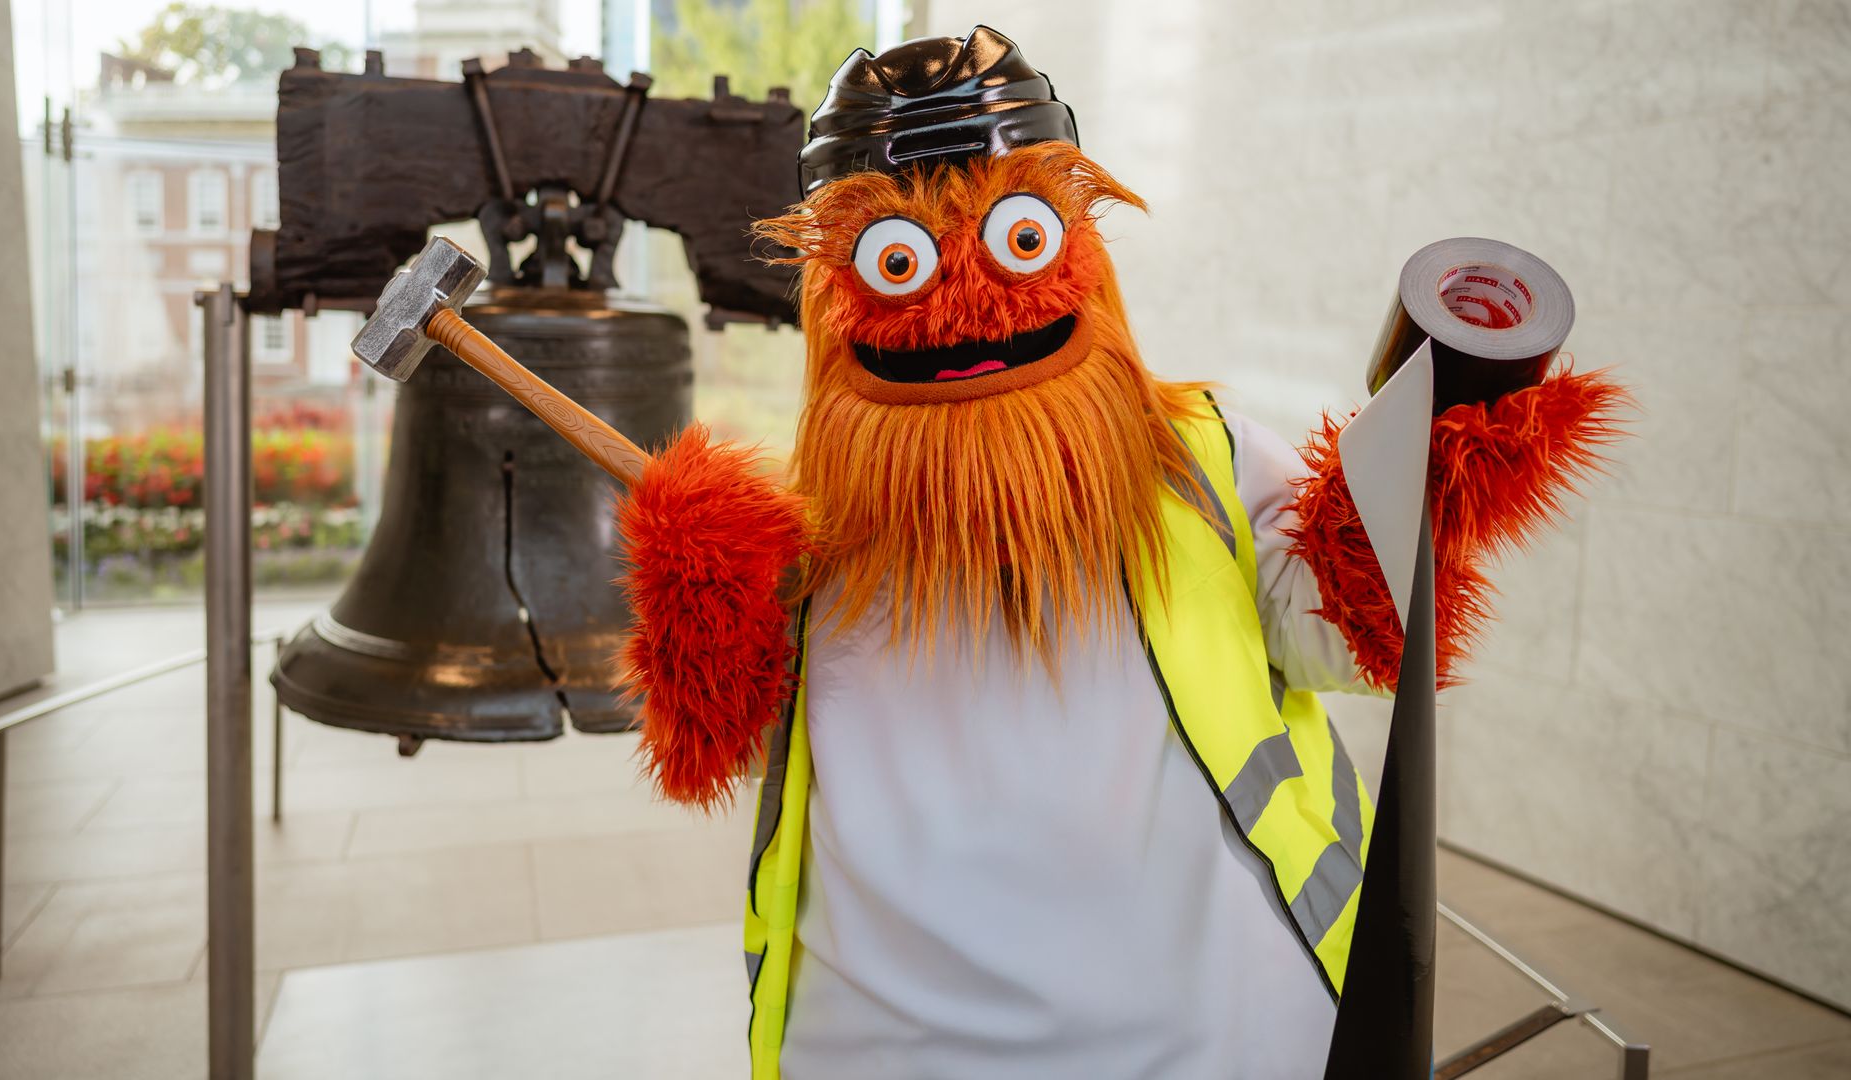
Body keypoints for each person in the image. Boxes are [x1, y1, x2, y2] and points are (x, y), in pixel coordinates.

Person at [614, 26, 1626, 1080]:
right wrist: (695, 581)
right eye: (896, 260)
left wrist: (1431, 472)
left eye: (1018, 237)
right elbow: (706, 748)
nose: (966, 296)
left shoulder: (1200, 460)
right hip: (891, 1046)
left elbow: (1347, 637)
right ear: (833, 291)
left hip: (1211, 1036)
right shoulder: (806, 534)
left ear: (1076, 245)